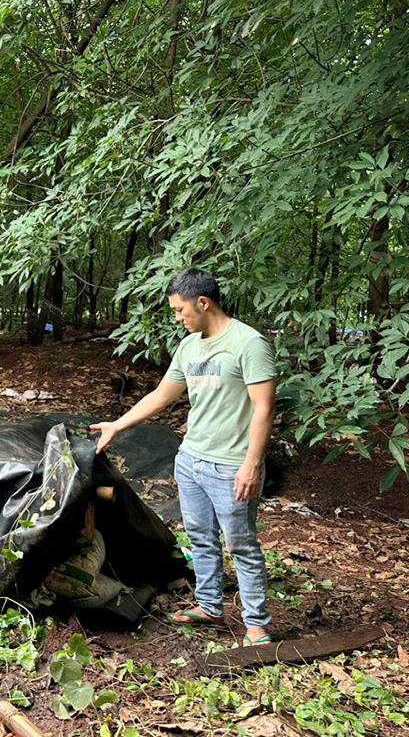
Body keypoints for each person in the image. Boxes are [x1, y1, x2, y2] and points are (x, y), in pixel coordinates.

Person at [90, 268, 277, 647]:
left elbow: (264, 409)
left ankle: (256, 624)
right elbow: (162, 395)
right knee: (200, 538)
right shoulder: (190, 346)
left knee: (241, 545)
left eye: (180, 310)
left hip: (230, 465)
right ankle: (209, 606)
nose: (177, 318)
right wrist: (117, 426)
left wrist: (251, 464)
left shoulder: (249, 344)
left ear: (203, 303)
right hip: (191, 460)